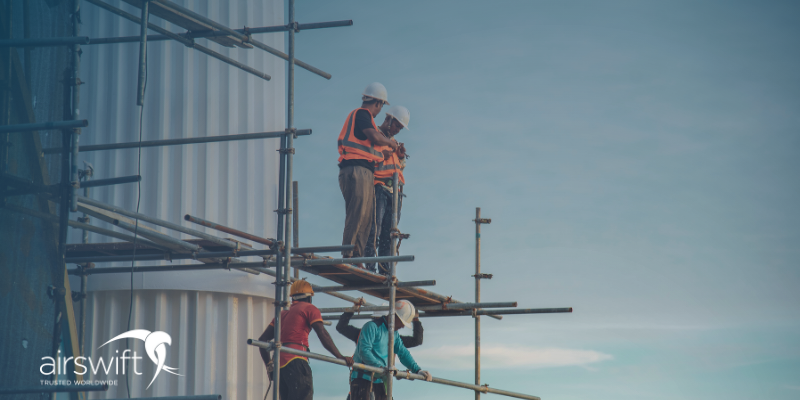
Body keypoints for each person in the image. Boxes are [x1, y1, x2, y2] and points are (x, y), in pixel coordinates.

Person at [259, 280, 354, 400]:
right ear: (309, 298)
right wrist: (339, 356)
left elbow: (262, 340)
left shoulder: (282, 313)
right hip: (296, 360)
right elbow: (322, 333)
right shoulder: (310, 308)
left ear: (293, 298)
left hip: (280, 366)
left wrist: (270, 366)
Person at [338, 83, 399, 267]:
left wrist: (383, 153)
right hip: (355, 170)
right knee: (357, 214)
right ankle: (348, 255)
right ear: (379, 103)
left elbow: (369, 147)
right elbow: (374, 137)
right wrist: (391, 143)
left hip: (364, 171)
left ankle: (358, 257)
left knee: (366, 218)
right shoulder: (362, 114)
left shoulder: (365, 119)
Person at [349, 300, 432, 400]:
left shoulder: (394, 334)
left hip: (380, 380)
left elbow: (403, 352)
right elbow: (364, 351)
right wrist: (380, 368)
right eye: (402, 322)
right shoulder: (371, 327)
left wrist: (417, 370)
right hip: (362, 378)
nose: (402, 326)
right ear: (394, 316)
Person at [364, 106, 410, 274]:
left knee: (389, 235)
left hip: (394, 192)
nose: (397, 130)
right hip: (379, 187)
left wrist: (401, 157)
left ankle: (385, 270)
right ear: (388, 119)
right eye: (396, 125)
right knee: (373, 229)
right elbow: (368, 158)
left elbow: (399, 168)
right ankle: (369, 266)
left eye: (400, 128)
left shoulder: (394, 143)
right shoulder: (374, 135)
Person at [336, 306, 423, 349]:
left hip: (382, 379)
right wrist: (351, 310)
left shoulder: (393, 339)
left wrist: (415, 319)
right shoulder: (363, 334)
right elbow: (341, 327)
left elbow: (416, 341)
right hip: (364, 377)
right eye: (376, 319)